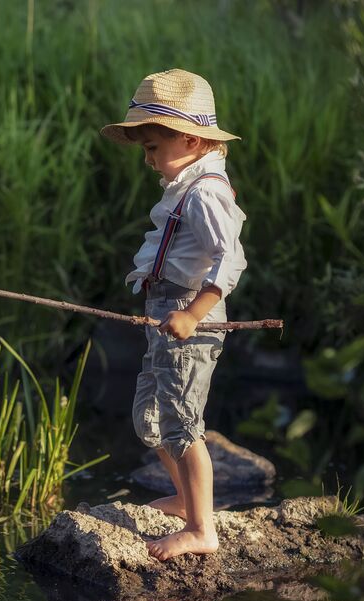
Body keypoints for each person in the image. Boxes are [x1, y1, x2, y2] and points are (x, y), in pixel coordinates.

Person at [100, 69, 246, 561]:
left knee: (184, 422)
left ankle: (203, 529)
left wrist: (194, 313)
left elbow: (231, 260)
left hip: (190, 315)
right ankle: (186, 499)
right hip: (166, 311)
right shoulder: (184, 185)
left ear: (189, 138)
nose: (147, 160)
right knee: (150, 418)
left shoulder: (206, 192)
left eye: (153, 147)